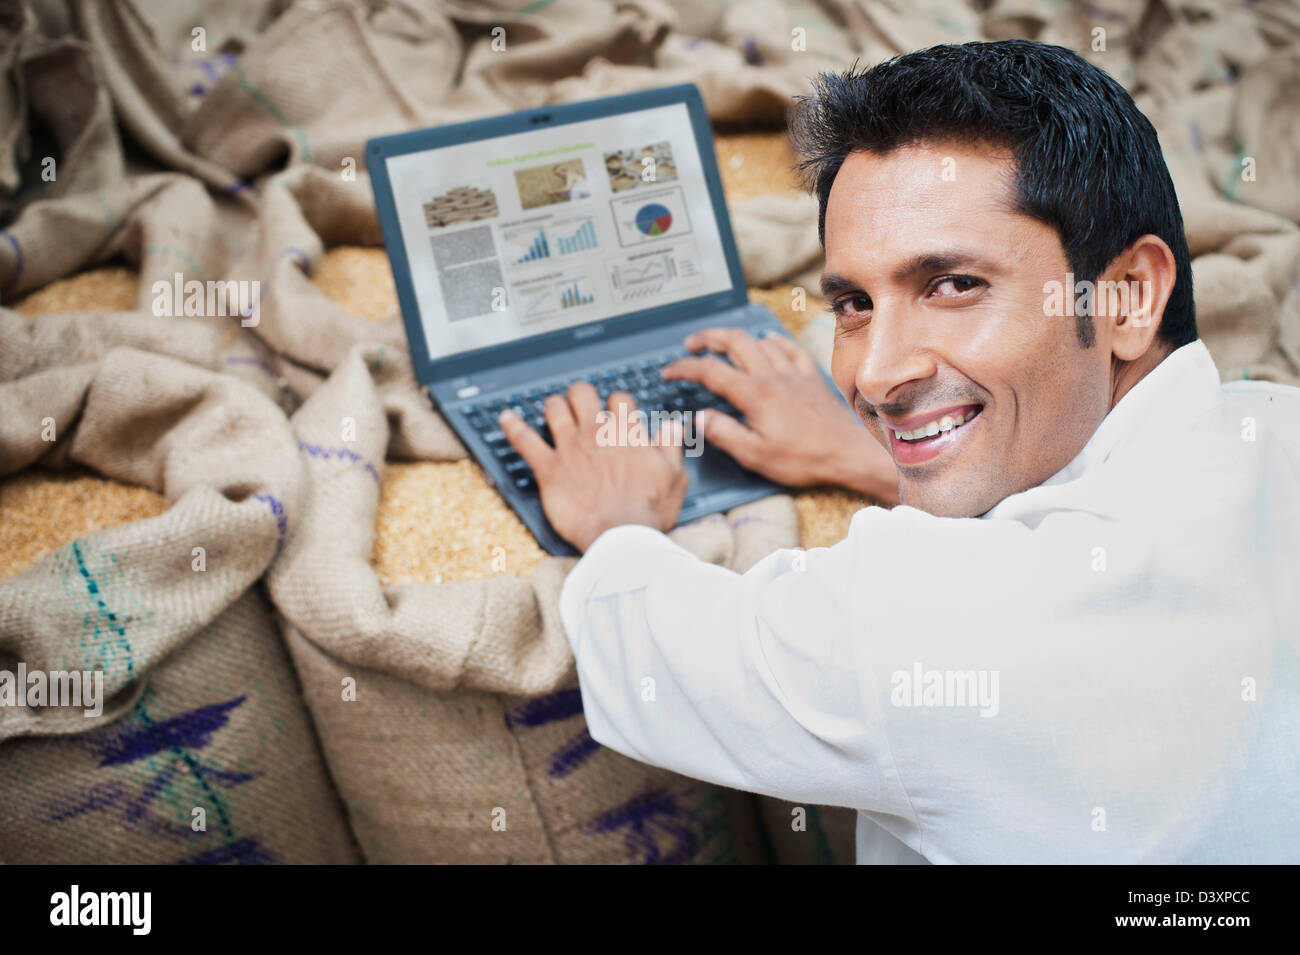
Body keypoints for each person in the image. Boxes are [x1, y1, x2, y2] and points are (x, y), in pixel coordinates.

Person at [499, 40, 1300, 863]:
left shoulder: (912, 624)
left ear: (1128, 295)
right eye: (852, 301)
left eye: (953, 286)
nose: (877, 376)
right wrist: (875, 456)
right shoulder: (1277, 426)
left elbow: (651, 652)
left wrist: (616, 523)